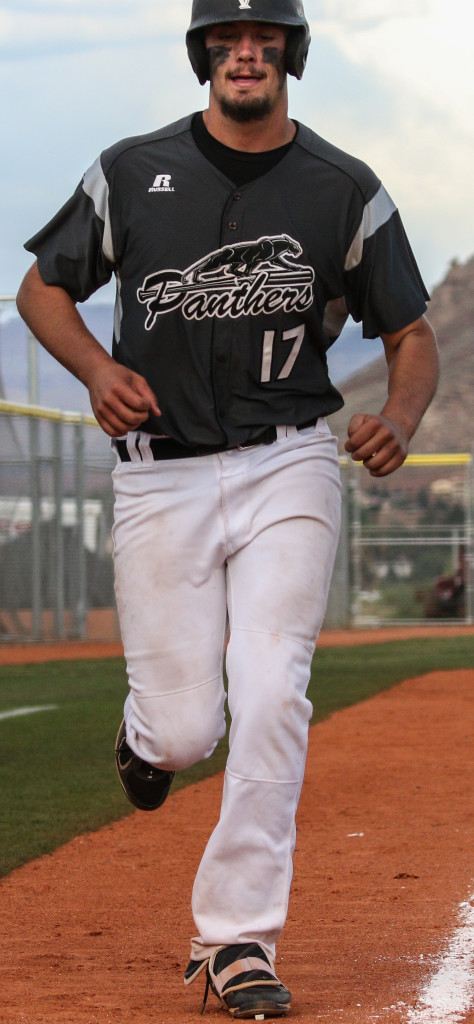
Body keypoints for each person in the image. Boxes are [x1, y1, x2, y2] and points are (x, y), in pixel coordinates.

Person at [16, 1, 439, 1017]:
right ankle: (145, 736)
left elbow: (412, 334)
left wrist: (405, 415)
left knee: (272, 685)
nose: (243, 52)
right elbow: (42, 290)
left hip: (288, 460)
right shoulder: (129, 170)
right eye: (225, 37)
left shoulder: (345, 188)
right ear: (204, 51)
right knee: (182, 730)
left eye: (263, 36)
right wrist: (93, 367)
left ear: (291, 52)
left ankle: (235, 938)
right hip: (158, 471)